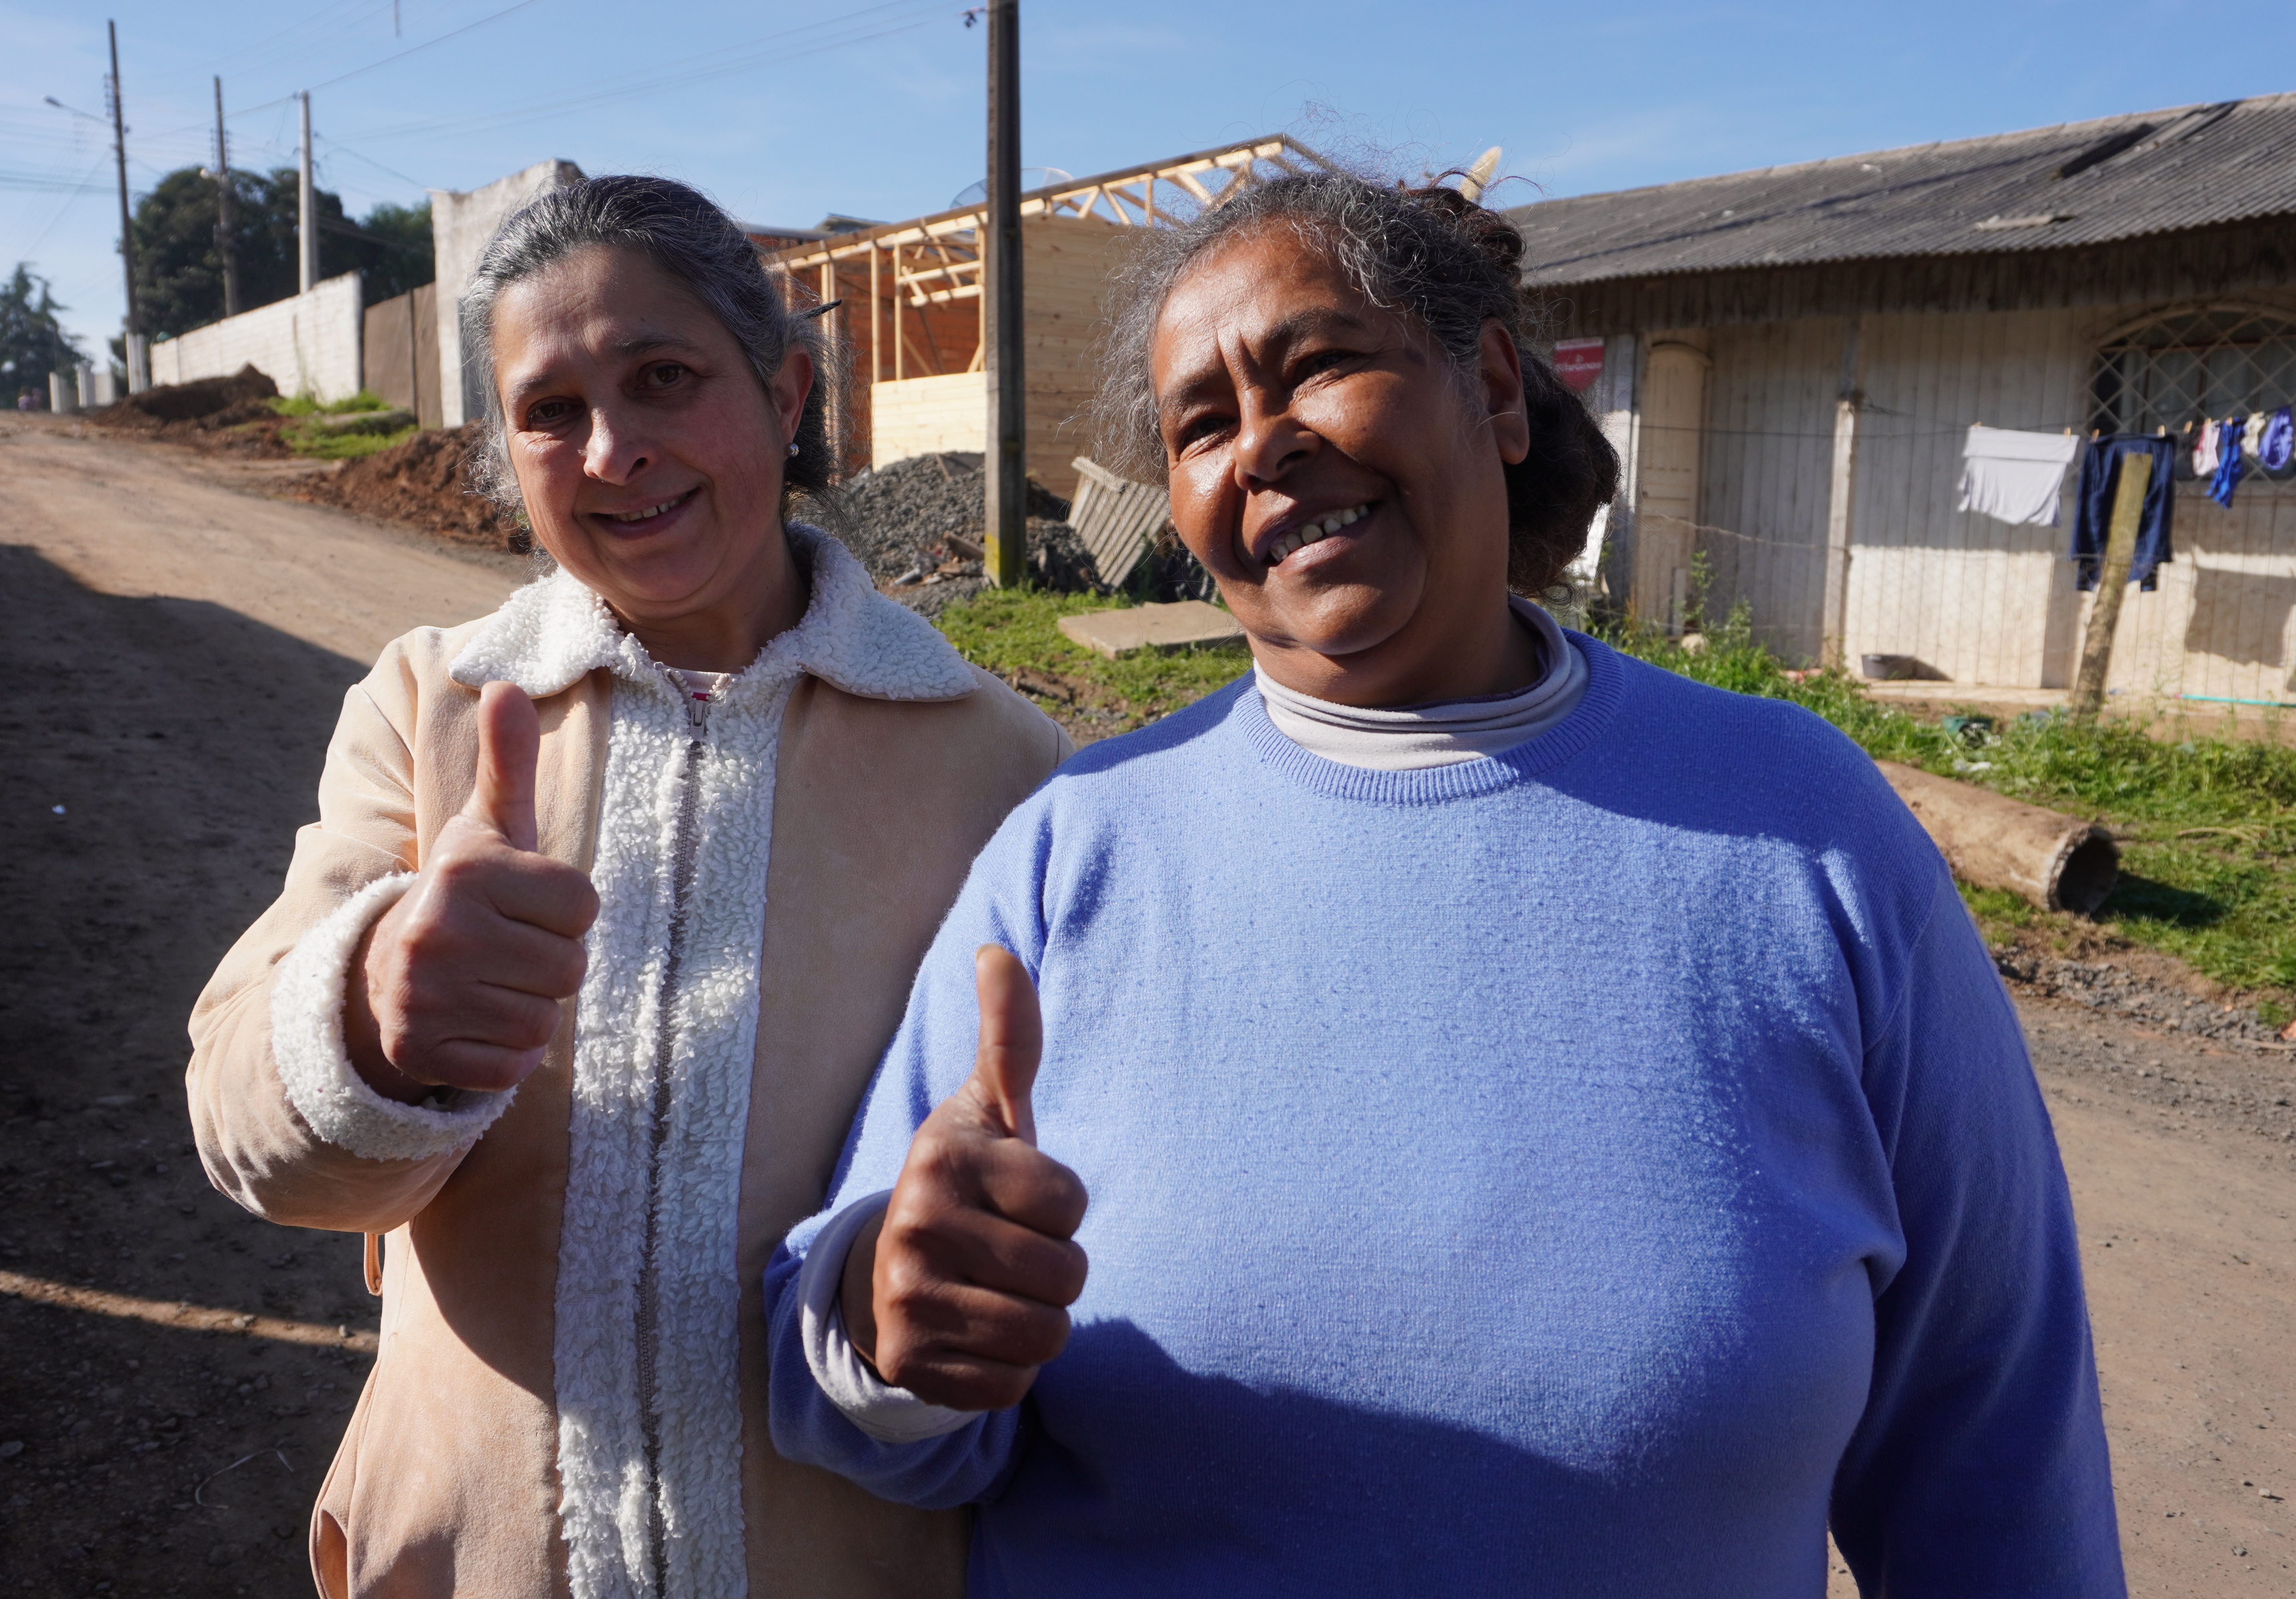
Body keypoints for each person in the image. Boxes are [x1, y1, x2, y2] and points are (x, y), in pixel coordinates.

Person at [766, 172, 2126, 1596]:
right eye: (1201, 425)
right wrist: (891, 1325)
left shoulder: (1803, 832)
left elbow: (1996, 1442)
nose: (1264, 450)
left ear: (1490, 390)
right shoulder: (1076, 851)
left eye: (1320, 366)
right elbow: (844, 1382)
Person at [188, 175, 1071, 1599]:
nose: (613, 451)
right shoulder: (432, 705)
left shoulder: (1003, 766)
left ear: (785, 392)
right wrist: (370, 1015)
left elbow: (1028, 1221)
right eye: (551, 410)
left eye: (665, 379)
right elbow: (243, 1124)